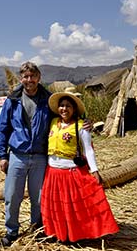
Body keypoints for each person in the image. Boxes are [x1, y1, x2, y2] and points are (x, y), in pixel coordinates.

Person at [41, 92, 119, 242]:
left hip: (70, 171)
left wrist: (94, 170)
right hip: (52, 172)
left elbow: (88, 149)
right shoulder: (52, 122)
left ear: (74, 109)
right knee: (58, 207)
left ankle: (77, 234)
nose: (64, 109)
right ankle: (59, 233)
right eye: (62, 106)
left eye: (68, 106)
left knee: (74, 206)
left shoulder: (82, 126)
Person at [0, 61, 51, 247]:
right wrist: (2, 155)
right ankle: (12, 231)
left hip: (40, 156)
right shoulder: (12, 100)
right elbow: (3, 129)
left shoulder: (48, 100)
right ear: (21, 78)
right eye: (26, 77)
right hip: (17, 155)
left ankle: (37, 229)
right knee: (12, 195)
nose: (29, 80)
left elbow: (65, 117)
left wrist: (85, 122)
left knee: (39, 197)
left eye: (33, 76)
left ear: (38, 77)